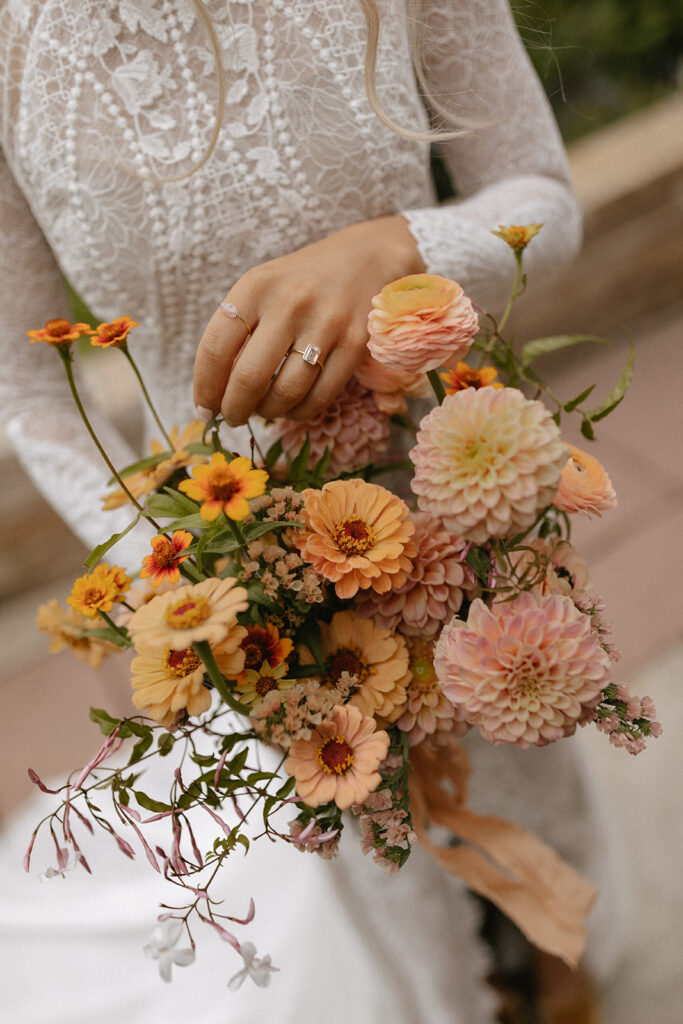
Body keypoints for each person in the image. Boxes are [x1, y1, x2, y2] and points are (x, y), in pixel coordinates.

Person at [0, 2, 627, 1021]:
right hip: (243, 561)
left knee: (522, 750)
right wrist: (183, 575)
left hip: (451, 490)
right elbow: (27, 392)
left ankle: (560, 970)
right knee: (374, 850)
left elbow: (539, 198)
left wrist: (398, 245)